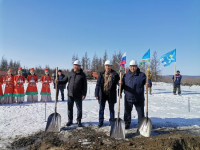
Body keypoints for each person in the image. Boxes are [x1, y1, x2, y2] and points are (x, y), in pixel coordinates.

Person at [56, 60, 87, 127]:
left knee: (79, 109)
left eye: (78, 66)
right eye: (75, 66)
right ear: (73, 66)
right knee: (70, 108)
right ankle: (70, 120)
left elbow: (85, 85)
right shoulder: (69, 74)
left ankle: (79, 121)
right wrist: (58, 82)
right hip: (70, 94)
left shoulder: (82, 75)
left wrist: (84, 94)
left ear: (79, 67)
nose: (76, 67)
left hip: (79, 94)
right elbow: (64, 81)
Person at [119, 60, 148, 129]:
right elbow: (121, 85)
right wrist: (119, 91)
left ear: (136, 67)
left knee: (141, 113)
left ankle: (141, 125)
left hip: (139, 98)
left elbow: (147, 80)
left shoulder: (142, 75)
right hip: (128, 97)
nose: (133, 68)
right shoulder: (126, 75)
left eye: (134, 66)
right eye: (131, 66)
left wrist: (148, 84)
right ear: (129, 67)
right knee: (127, 112)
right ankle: (126, 124)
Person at [95, 60, 120, 127]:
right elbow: (98, 84)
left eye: (109, 66)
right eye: (106, 66)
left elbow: (118, 82)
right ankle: (101, 121)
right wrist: (96, 94)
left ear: (111, 66)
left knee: (111, 109)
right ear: (105, 66)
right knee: (101, 109)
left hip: (111, 94)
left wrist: (119, 83)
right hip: (102, 94)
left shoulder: (115, 74)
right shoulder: (101, 74)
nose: (108, 67)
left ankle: (112, 121)